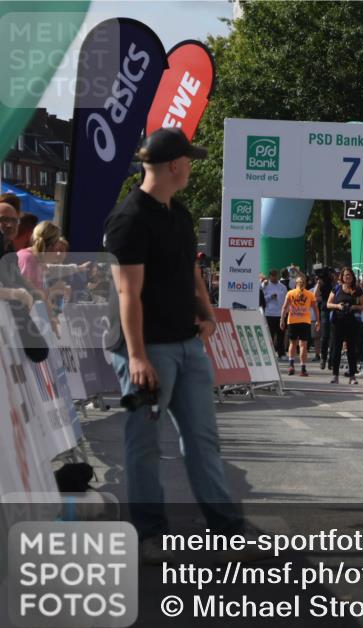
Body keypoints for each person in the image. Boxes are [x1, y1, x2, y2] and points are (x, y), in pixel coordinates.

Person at [103, 127, 253, 560]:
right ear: (174, 165)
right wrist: (136, 356)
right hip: (147, 350)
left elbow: (189, 272)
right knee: (144, 443)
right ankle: (148, 535)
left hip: (185, 346)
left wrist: (206, 314)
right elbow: (128, 293)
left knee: (203, 439)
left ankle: (228, 531)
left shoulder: (178, 212)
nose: (191, 166)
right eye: (188, 160)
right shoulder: (129, 218)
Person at [327, 267, 363, 384]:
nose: (347, 277)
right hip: (337, 322)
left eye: (349, 275)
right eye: (345, 275)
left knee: (351, 350)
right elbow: (328, 304)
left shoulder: (357, 290)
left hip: (352, 323)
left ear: (353, 277)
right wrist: (338, 306)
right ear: (342, 277)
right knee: (336, 349)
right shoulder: (337, 288)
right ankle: (335, 375)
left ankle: (352, 376)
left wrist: (353, 307)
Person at [281, 273, 319, 376]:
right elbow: (315, 309)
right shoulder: (309, 294)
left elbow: (284, 307)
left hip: (293, 321)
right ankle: (302, 368)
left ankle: (291, 365)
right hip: (305, 321)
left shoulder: (290, 293)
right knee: (303, 345)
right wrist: (318, 321)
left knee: (292, 344)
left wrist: (282, 320)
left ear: (295, 284)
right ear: (305, 284)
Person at [262, 267, 288, 359]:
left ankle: (281, 353)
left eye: (276, 275)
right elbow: (262, 299)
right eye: (272, 276)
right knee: (270, 335)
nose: (274, 277)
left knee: (281, 334)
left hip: (280, 314)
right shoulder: (265, 286)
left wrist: (285, 313)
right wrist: (270, 296)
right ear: (269, 276)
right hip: (269, 314)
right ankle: (270, 354)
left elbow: (286, 300)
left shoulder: (283, 287)